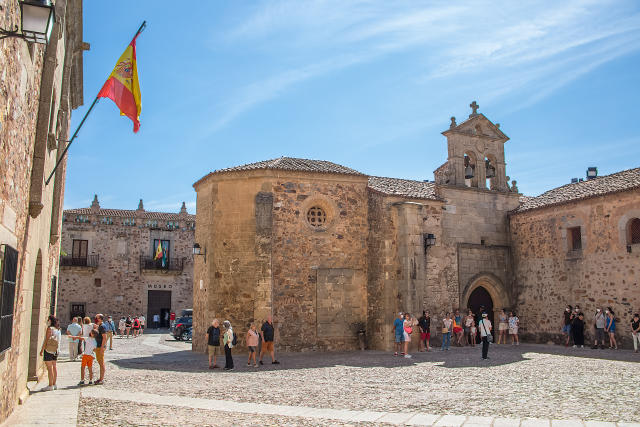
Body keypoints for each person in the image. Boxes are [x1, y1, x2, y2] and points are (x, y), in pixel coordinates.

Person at [39, 315, 61, 391]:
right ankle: (54, 384)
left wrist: (42, 350)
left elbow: (46, 340)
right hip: (56, 350)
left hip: (49, 350)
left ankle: (50, 385)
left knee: (49, 367)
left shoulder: (50, 329)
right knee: (54, 366)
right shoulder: (58, 329)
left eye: (48, 320)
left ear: (50, 321)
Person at [94, 314, 107, 384]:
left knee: (101, 363)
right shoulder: (100, 326)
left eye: (97, 318)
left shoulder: (102, 326)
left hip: (100, 347)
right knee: (99, 362)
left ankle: (101, 379)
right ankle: (100, 378)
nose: (95, 319)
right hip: (98, 346)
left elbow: (104, 338)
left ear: (100, 319)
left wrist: (102, 347)